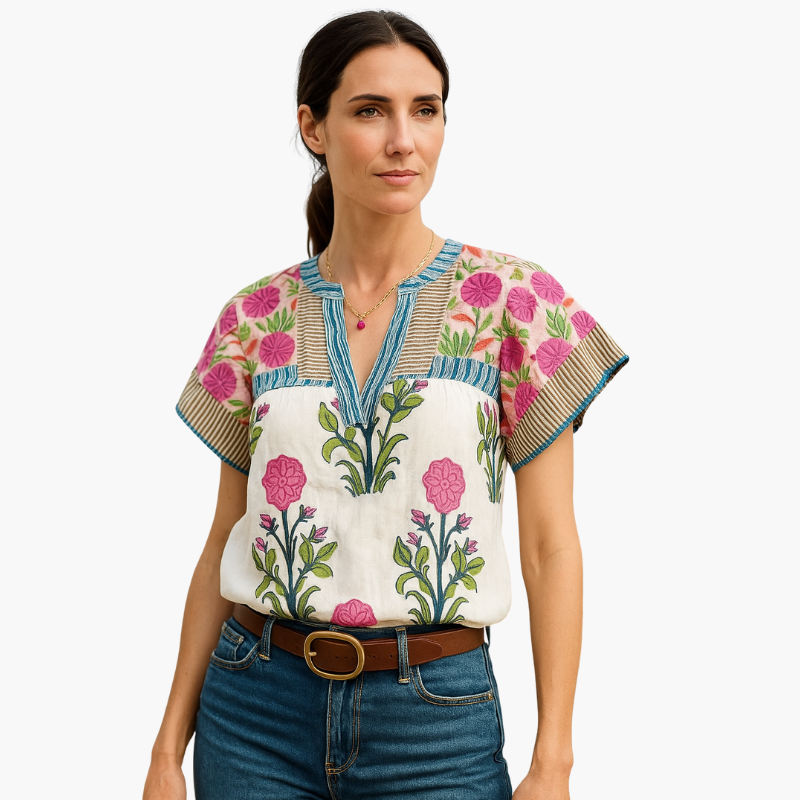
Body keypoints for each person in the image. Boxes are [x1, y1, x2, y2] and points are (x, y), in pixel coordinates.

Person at [143, 10, 630, 800]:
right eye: (371, 111)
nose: (404, 140)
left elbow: (550, 549)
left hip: (436, 726)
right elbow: (225, 539)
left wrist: (554, 762)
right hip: (252, 713)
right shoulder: (254, 318)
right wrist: (167, 748)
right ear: (313, 127)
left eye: (425, 110)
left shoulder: (514, 303)